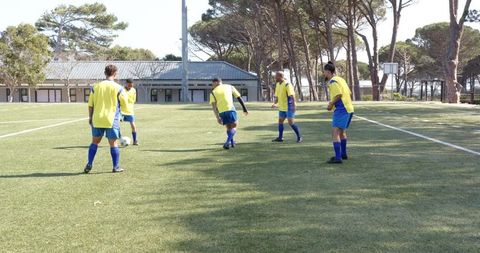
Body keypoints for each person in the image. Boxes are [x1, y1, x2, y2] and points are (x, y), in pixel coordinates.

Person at [84, 64, 129, 173]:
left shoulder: (95, 87)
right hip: (111, 120)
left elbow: (90, 104)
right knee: (113, 143)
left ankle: (89, 164)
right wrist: (122, 115)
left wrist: (90, 118)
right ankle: (116, 166)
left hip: (97, 118)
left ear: (105, 73)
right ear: (115, 74)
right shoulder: (119, 88)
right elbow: (125, 104)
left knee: (95, 142)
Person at [324, 61, 355, 164]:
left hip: (342, 109)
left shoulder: (332, 81)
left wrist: (331, 104)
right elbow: (348, 93)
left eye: (324, 72)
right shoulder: (341, 79)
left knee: (335, 133)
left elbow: (339, 95)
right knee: (342, 132)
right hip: (349, 108)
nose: (324, 74)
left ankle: (338, 157)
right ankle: (343, 154)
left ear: (328, 72)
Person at [210, 78, 248, 149]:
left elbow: (214, 107)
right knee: (234, 126)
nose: (213, 86)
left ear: (217, 83)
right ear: (220, 82)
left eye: (213, 84)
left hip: (222, 112)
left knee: (229, 128)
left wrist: (217, 117)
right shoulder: (230, 86)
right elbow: (239, 97)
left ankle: (232, 143)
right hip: (230, 110)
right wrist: (244, 109)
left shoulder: (213, 92)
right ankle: (227, 142)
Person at [271, 71, 302, 143]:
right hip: (282, 107)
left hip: (289, 107)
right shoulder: (278, 84)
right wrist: (275, 103)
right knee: (280, 121)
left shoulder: (287, 84)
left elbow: (292, 95)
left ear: (280, 76)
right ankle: (280, 137)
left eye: (276, 76)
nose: (275, 78)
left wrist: (294, 106)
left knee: (291, 122)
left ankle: (299, 137)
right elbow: (277, 96)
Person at [121, 79, 138, 145]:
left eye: (131, 85)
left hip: (130, 111)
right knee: (116, 126)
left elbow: (133, 100)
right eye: (129, 85)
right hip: (121, 111)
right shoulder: (121, 90)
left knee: (133, 126)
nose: (130, 87)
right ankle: (116, 140)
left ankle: (135, 140)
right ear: (126, 83)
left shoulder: (133, 90)